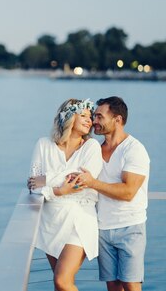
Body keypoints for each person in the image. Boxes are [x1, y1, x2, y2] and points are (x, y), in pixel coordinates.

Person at [74, 96, 150, 291]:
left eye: (99, 117)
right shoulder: (95, 150)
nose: (94, 121)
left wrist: (93, 182)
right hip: (102, 228)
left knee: (131, 285)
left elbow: (128, 192)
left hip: (129, 228)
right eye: (94, 116)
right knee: (113, 286)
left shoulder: (134, 150)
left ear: (117, 119)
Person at [27, 98, 102, 291]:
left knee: (62, 281)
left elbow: (80, 181)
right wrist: (60, 190)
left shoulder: (91, 147)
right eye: (83, 115)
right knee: (61, 284)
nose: (90, 120)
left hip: (79, 220)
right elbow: (33, 183)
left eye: (91, 116)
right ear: (68, 117)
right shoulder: (43, 144)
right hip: (50, 221)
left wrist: (46, 179)